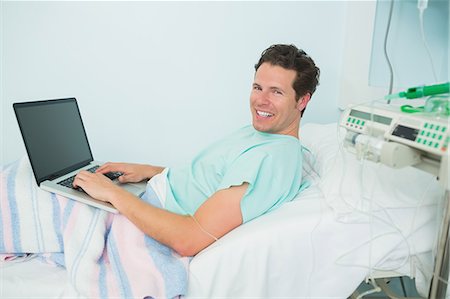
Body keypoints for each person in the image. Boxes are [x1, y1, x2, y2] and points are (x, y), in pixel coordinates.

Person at [73, 44, 320, 257]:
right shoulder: (266, 135)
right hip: (152, 192)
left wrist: (112, 194)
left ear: (302, 101)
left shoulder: (268, 160)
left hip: (154, 212)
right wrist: (150, 171)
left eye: (276, 92)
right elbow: (213, 179)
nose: (261, 100)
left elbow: (189, 238)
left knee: (47, 191)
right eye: (258, 88)